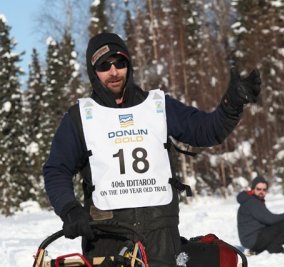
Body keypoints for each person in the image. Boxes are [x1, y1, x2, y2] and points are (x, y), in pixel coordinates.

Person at [43, 32, 261, 266]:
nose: (114, 71)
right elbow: (56, 170)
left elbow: (206, 130)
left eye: (120, 63)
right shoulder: (80, 118)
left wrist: (232, 103)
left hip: (161, 237)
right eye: (104, 66)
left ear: (129, 64)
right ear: (93, 71)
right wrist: (70, 210)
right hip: (107, 238)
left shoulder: (157, 106)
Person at [237, 176, 284, 254]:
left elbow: (268, 219)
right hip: (252, 239)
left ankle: (268, 249)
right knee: (283, 224)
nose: (261, 192)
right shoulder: (252, 202)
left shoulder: (252, 201)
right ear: (253, 189)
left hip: (251, 238)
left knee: (279, 224)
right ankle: (275, 249)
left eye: (264, 190)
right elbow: (270, 219)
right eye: (258, 189)